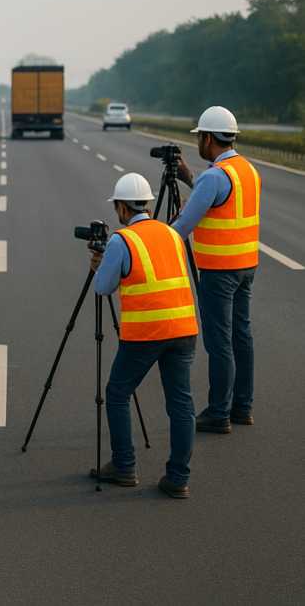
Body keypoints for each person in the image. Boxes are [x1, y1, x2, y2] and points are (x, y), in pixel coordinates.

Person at [90, 173, 197, 499]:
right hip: (184, 327)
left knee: (118, 392)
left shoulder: (122, 240)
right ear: (147, 204)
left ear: (122, 207)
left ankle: (125, 466)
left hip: (147, 332)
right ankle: (178, 478)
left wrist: (99, 265)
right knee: (181, 403)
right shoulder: (172, 233)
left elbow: (103, 287)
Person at [171, 106, 260, 434]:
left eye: (200, 138)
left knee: (219, 342)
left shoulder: (213, 177)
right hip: (246, 267)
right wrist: (188, 176)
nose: (199, 144)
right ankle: (242, 407)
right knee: (242, 336)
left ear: (208, 138)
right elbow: (219, 198)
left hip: (218, 271)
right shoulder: (248, 170)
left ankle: (219, 412)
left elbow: (182, 227)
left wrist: (150, 236)